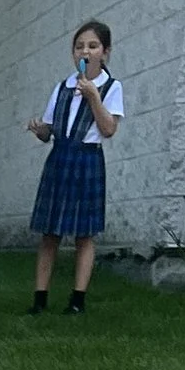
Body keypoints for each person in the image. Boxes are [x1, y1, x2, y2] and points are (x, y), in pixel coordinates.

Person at [28, 21, 122, 314]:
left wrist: (93, 96)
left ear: (104, 53)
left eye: (93, 46)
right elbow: (50, 130)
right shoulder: (62, 87)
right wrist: (39, 129)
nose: (86, 51)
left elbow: (108, 129)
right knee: (49, 232)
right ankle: (40, 298)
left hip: (87, 159)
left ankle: (77, 299)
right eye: (80, 46)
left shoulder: (111, 87)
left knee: (84, 233)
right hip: (60, 157)